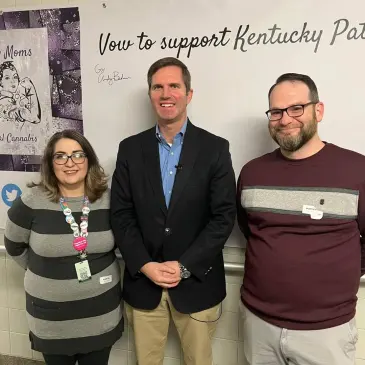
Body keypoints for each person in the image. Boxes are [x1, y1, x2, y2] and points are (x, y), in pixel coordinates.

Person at [111, 57, 236, 365]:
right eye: (158, 87)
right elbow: (121, 214)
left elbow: (223, 217)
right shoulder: (130, 149)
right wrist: (145, 264)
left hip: (197, 282)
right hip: (144, 282)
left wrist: (183, 266)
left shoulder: (215, 148)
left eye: (174, 86)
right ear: (151, 94)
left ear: (188, 94)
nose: (166, 94)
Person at [236, 73, 365, 365]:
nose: (285, 119)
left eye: (297, 108)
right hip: (259, 325)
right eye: (276, 112)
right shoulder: (253, 173)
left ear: (318, 110)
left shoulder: (357, 170)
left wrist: (335, 278)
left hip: (326, 331)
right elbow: (251, 230)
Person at [4, 130, 124, 365]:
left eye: (78, 155)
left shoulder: (109, 200)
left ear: (89, 160)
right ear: (50, 163)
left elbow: (123, 240)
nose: (70, 163)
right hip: (51, 320)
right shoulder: (31, 202)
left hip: (100, 316)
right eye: (60, 156)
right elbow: (14, 246)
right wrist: (46, 272)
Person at [0, 61, 41, 125]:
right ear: (1, 82)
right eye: (7, 78)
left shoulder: (15, 96)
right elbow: (35, 118)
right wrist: (31, 87)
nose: (13, 81)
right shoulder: (5, 102)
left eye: (15, 77)